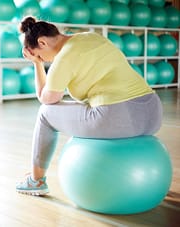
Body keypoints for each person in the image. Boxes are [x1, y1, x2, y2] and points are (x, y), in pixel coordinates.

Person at [15, 16, 163, 196]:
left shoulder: (64, 59)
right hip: (153, 113)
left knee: (45, 113)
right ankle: (148, 180)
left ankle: (36, 181)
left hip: (118, 117)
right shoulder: (91, 37)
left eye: (38, 54)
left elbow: (45, 98)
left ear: (42, 42)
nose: (43, 59)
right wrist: (39, 59)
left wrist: (36, 65)